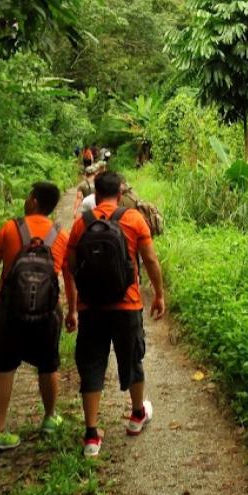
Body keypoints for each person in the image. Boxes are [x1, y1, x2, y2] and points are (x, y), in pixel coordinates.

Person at [66, 171, 165, 457]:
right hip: (127, 305)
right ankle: (136, 416)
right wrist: (158, 293)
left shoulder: (81, 224)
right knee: (132, 357)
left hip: (90, 308)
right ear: (120, 194)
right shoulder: (133, 219)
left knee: (92, 365)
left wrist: (85, 293)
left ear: (95, 194)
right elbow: (150, 259)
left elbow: (72, 265)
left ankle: (91, 436)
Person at [0, 181, 77, 451]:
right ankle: (49, 418)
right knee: (48, 364)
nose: (26, 199)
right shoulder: (60, 235)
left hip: (9, 310)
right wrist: (73, 311)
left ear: (34, 201)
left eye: (28, 195)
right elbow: (69, 279)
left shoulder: (11, 228)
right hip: (46, 311)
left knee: (5, 367)